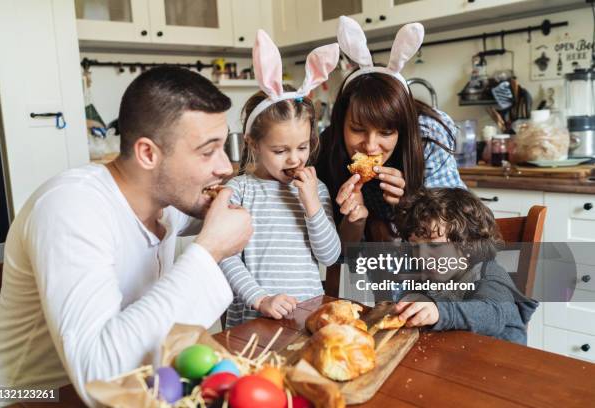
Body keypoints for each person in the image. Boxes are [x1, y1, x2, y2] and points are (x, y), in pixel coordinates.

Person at [0, 66, 253, 405]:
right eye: (207, 151)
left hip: (133, 389)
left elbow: (223, 207)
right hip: (26, 398)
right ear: (148, 154)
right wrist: (210, 250)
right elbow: (97, 376)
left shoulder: (163, 200)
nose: (225, 166)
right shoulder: (71, 208)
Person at [220, 31, 341, 327]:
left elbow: (330, 256)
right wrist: (261, 299)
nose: (294, 159)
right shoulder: (239, 191)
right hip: (255, 316)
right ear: (252, 144)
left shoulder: (315, 189)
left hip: (307, 313)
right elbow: (224, 255)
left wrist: (311, 203)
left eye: (302, 147)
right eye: (280, 150)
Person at [315, 17, 466, 243]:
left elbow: (459, 234)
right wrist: (355, 220)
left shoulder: (428, 135)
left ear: (403, 128)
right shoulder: (328, 148)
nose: (371, 146)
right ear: (340, 123)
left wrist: (413, 205)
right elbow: (342, 255)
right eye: (357, 129)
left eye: (386, 132)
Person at [391, 188, 538, 344]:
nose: (421, 255)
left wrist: (439, 312)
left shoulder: (489, 276)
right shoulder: (431, 271)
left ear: (468, 244)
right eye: (415, 246)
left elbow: (493, 314)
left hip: (501, 361)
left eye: (433, 246)